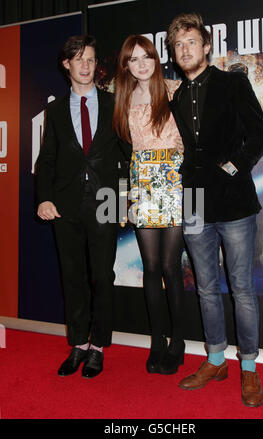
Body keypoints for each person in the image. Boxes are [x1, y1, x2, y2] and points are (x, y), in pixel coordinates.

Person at [166, 13, 263, 406]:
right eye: (178, 45)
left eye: (191, 42)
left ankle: (248, 369)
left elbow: (260, 134)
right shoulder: (176, 97)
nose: (185, 50)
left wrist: (232, 167)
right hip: (194, 204)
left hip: (235, 203)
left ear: (206, 46)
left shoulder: (232, 82)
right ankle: (215, 359)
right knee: (207, 288)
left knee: (241, 289)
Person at [36, 35, 128, 378]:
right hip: (65, 204)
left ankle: (98, 347)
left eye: (90, 59)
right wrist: (43, 197)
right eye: (79, 60)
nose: (86, 66)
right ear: (67, 65)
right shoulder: (56, 109)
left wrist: (123, 199)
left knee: (102, 276)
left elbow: (126, 155)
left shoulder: (113, 102)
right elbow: (47, 159)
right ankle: (78, 344)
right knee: (72, 276)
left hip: (106, 201)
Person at [113, 34, 185, 374]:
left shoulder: (174, 90)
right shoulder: (124, 99)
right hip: (141, 181)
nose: (141, 64)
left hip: (174, 180)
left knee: (172, 268)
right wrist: (125, 196)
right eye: (134, 59)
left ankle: (179, 341)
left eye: (147, 57)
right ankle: (157, 340)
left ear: (156, 59)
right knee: (151, 268)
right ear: (126, 65)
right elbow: (123, 153)